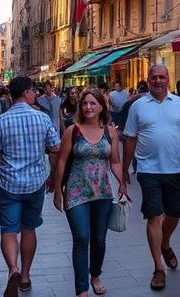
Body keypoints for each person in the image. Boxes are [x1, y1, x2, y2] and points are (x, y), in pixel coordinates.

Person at [122, 65, 180, 291]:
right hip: (147, 169)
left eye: (162, 77)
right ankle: (158, 268)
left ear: (168, 79)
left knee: (175, 212)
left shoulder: (179, 103)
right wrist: (124, 170)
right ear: (148, 80)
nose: (158, 81)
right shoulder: (138, 106)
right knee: (154, 216)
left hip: (174, 168)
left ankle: (165, 242)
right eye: (154, 77)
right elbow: (130, 139)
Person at [0, 76, 61, 297]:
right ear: (27, 93)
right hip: (35, 184)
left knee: (9, 230)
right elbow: (55, 149)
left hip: (9, 184)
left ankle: (13, 268)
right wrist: (53, 178)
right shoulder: (42, 118)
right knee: (29, 229)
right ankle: (26, 276)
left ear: (11, 96)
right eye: (33, 92)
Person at [53, 89, 128, 297]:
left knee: (99, 240)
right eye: (85, 103)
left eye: (93, 103)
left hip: (102, 193)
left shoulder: (109, 132)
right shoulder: (72, 131)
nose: (88, 107)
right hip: (76, 192)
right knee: (81, 238)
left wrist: (122, 183)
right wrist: (58, 189)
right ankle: (82, 289)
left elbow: (114, 161)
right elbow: (61, 160)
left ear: (101, 106)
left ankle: (95, 274)